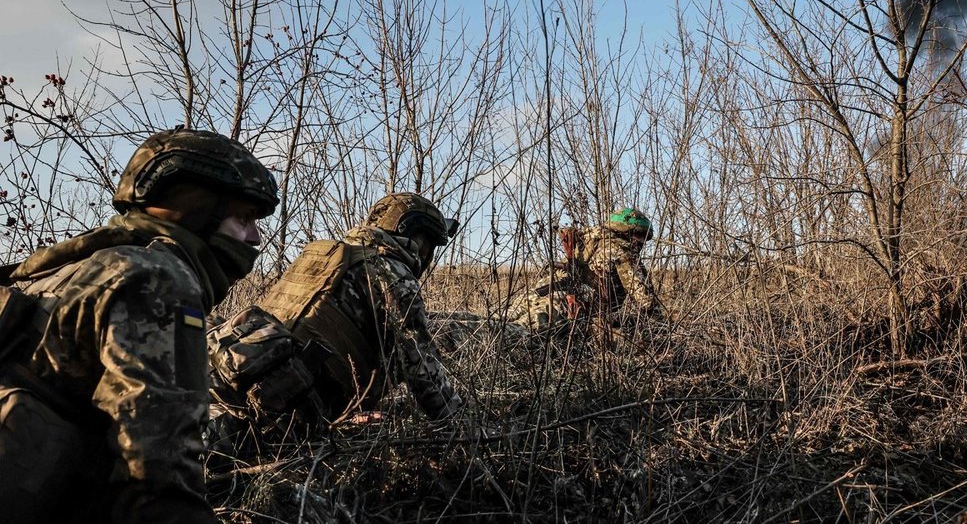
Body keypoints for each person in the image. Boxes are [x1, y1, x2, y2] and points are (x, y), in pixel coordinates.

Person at [0, 128, 278, 524]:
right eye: (244, 218)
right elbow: (156, 474)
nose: (254, 237)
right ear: (196, 210)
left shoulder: (64, 267)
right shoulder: (157, 279)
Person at [209, 191, 463, 429]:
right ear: (414, 236)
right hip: (287, 404)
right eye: (429, 245)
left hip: (232, 375)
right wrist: (463, 427)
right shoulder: (392, 274)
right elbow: (422, 368)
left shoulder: (327, 255)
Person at [508, 207, 664, 343]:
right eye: (640, 236)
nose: (642, 243)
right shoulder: (622, 251)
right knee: (514, 335)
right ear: (628, 232)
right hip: (562, 303)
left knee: (501, 321)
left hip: (536, 293)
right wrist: (662, 326)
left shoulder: (586, 241)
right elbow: (646, 300)